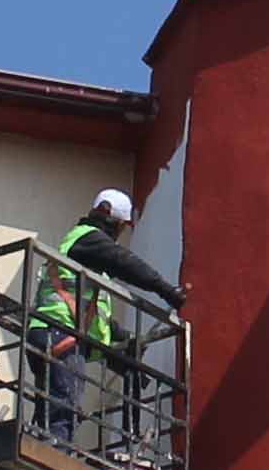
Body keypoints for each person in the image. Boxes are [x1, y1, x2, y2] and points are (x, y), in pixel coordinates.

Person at [36, 185, 177, 452]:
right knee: (64, 407)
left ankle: (45, 449)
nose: (119, 235)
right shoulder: (87, 239)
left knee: (54, 407)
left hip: (51, 332)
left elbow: (92, 313)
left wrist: (123, 338)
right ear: (108, 215)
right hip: (58, 333)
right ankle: (51, 454)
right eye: (121, 227)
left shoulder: (84, 252)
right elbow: (124, 262)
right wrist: (166, 290)